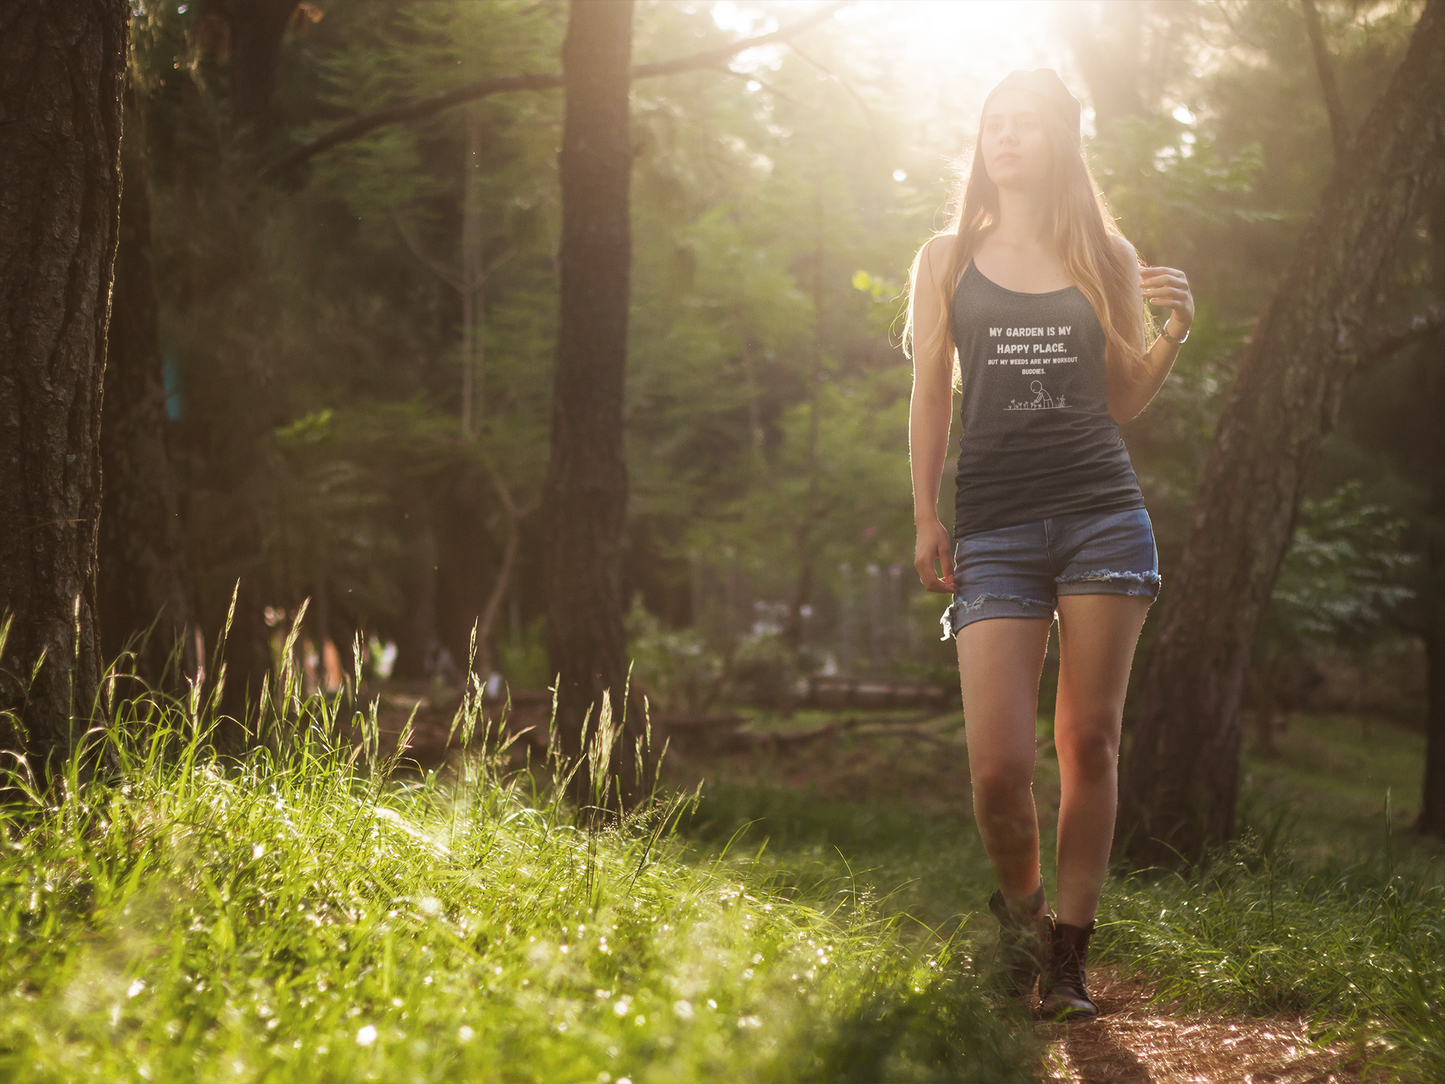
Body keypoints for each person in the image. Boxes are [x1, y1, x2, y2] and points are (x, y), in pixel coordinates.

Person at [904, 68, 1194, 1021]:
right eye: (995, 123)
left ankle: (1069, 954)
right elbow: (928, 393)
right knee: (996, 768)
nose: (1007, 137)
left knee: (1088, 741)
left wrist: (1173, 335)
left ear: (1061, 142)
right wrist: (923, 511)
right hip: (992, 527)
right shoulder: (944, 257)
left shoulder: (1105, 253)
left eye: (1027, 124)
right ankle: (1024, 914)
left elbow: (1120, 403)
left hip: (1101, 514)